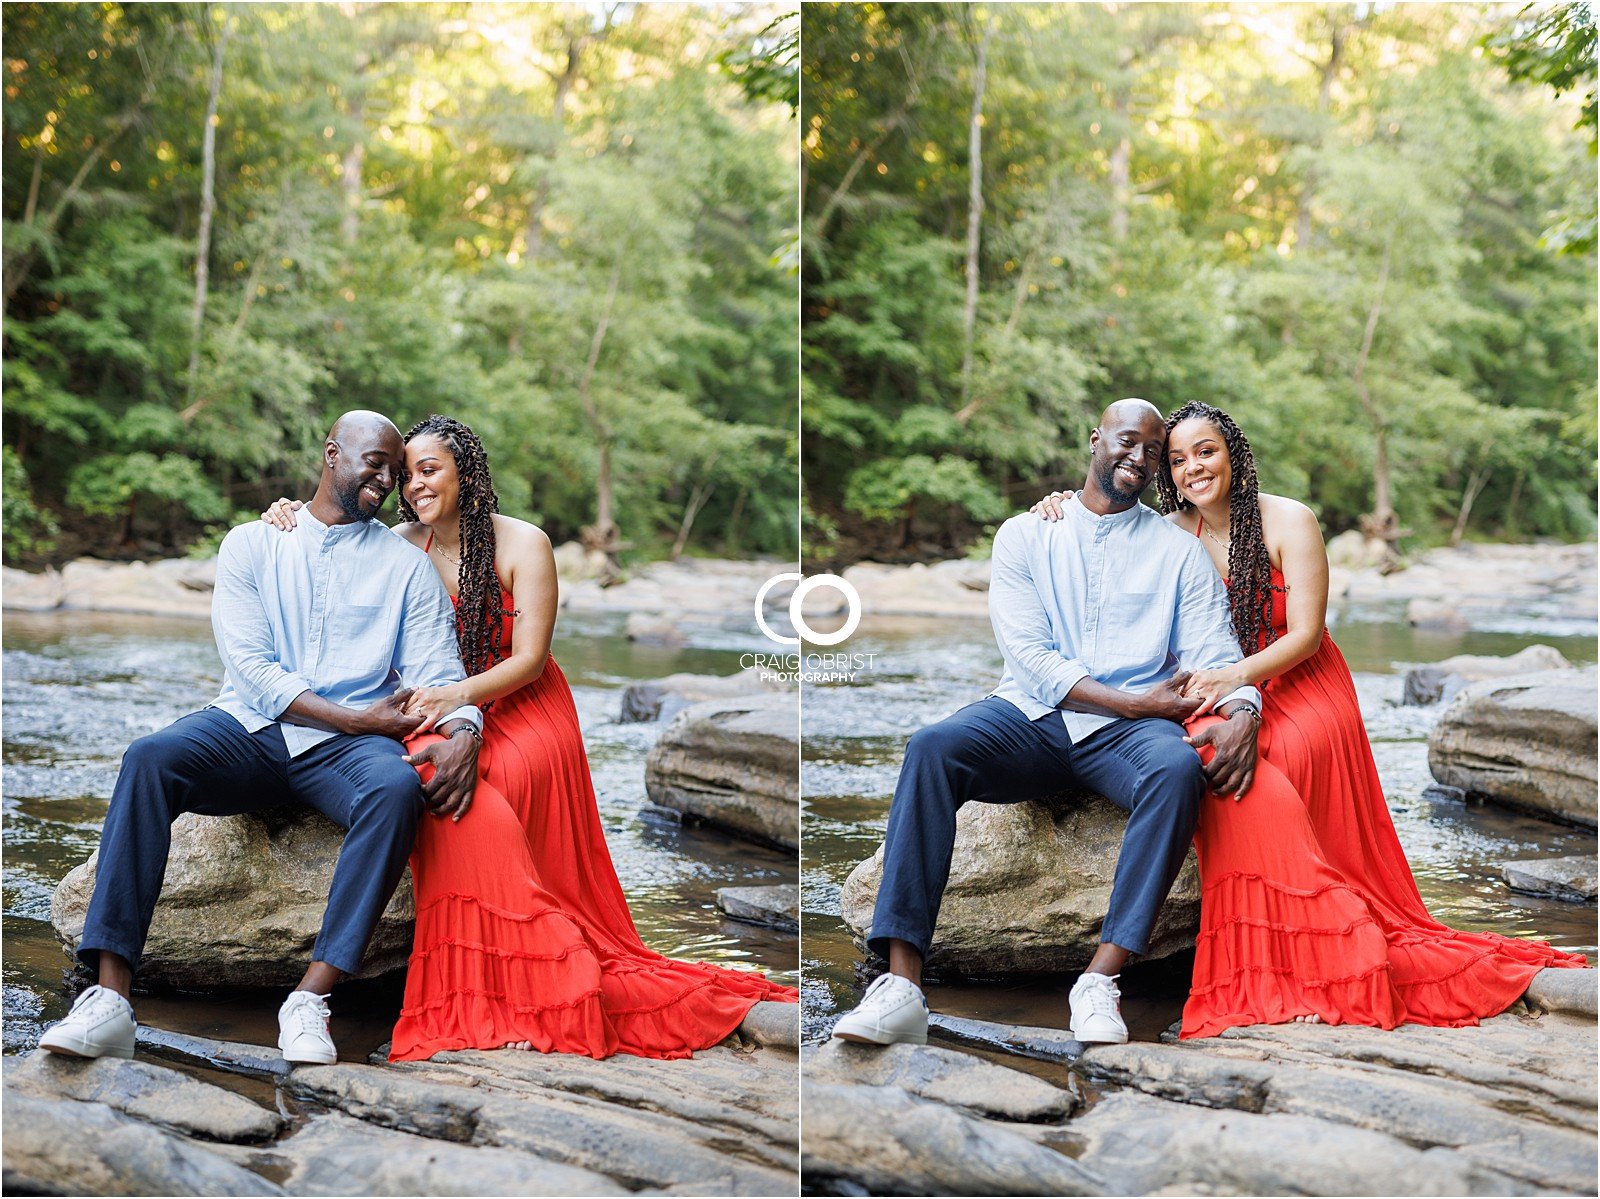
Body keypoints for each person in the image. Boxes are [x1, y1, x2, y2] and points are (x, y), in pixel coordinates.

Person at [1032, 400, 1587, 1037]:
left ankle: (1323, 937)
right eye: (1178, 459)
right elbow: (1097, 524)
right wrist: (1056, 504)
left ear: (1232, 452)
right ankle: (1283, 952)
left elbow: (1308, 633)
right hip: (1218, 688)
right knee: (1207, 763)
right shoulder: (1165, 531)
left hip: (1300, 680)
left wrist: (1239, 677)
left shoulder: (1287, 519)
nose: (1193, 469)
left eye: (1205, 451)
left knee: (1285, 758)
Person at [263, 414, 796, 1060]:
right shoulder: (399, 544)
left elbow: (530, 661)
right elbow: (329, 538)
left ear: (467, 472)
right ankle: (506, 980)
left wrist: (460, 696)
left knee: (505, 779)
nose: (414, 487)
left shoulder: (525, 543)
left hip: (523, 705)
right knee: (429, 781)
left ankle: (536, 968)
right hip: (443, 708)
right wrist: (286, 513)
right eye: (406, 476)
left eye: (428, 470)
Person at [40, 412, 483, 1066]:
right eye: (374, 462)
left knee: (393, 789)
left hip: (344, 754)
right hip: (251, 727)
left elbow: (438, 671)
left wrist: (462, 728)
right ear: (332, 454)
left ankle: (310, 998)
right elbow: (251, 667)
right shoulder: (253, 542)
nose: (386, 481)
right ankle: (109, 1000)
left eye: (395, 469)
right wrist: (357, 718)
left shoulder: (405, 568)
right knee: (149, 758)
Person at [830, 398, 1267, 1048]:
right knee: (931, 748)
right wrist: (1137, 702)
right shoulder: (1027, 534)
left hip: (1126, 738)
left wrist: (1242, 711)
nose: (1139, 458)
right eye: (1126, 441)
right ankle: (901, 986)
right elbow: (1031, 660)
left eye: (1153, 451)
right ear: (1096, 439)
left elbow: (1214, 652)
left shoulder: (1177, 552)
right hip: (1033, 717)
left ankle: (1099, 980)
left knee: (1176, 768)